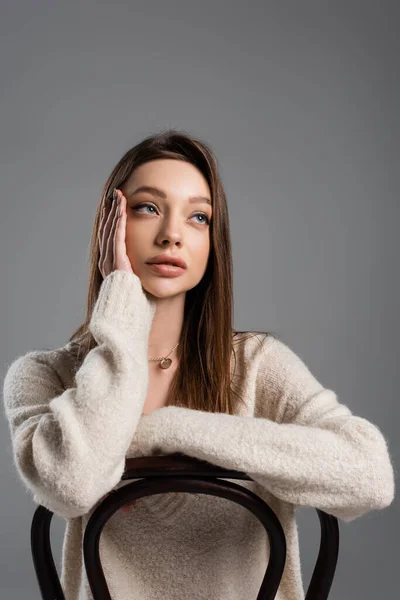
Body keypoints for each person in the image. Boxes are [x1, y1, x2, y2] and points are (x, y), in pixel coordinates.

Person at [2, 129, 395, 600]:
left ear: (213, 243)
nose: (171, 234)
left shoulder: (253, 364)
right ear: (112, 223)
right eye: (148, 207)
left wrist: (163, 430)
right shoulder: (44, 376)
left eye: (198, 217)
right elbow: (72, 484)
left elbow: (370, 475)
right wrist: (122, 304)